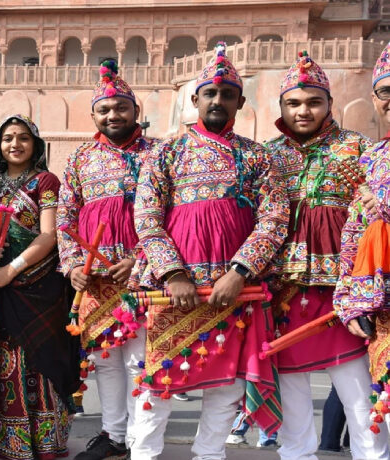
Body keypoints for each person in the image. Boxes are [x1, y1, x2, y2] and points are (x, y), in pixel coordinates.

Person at [128, 42, 289, 460]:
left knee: (227, 388)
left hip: (234, 291)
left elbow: (274, 219)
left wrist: (239, 272)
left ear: (240, 102)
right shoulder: (166, 152)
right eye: (210, 94)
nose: (218, 100)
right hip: (174, 292)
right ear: (195, 99)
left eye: (227, 94)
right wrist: (173, 274)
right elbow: (146, 217)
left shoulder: (257, 157)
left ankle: (210, 455)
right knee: (158, 384)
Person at [265, 51, 389, 460]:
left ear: (330, 104)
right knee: (292, 396)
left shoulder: (360, 149)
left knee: (358, 394)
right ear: (281, 106)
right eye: (293, 103)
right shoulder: (268, 155)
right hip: (284, 292)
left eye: (314, 102)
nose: (303, 111)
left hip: (343, 293)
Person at [57, 60, 158, 460]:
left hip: (142, 278)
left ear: (136, 111)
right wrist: (72, 267)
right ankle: (114, 435)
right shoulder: (80, 158)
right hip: (96, 280)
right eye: (104, 109)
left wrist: (138, 260)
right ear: (94, 116)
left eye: (121, 107)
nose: (113, 115)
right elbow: (65, 218)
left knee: (139, 361)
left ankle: (139, 439)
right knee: (106, 361)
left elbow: (170, 216)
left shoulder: (159, 153)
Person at [0, 114, 80, 459]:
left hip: (37, 285)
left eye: (23, 138)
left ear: (35, 144)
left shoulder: (45, 181)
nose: (15, 144)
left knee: (39, 358)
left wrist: (11, 269)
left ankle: (42, 439)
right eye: (8, 138)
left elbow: (48, 235)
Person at [335, 41, 390, 437]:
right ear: (374, 99)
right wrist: (349, 300)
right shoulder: (372, 158)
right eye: (386, 91)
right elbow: (354, 233)